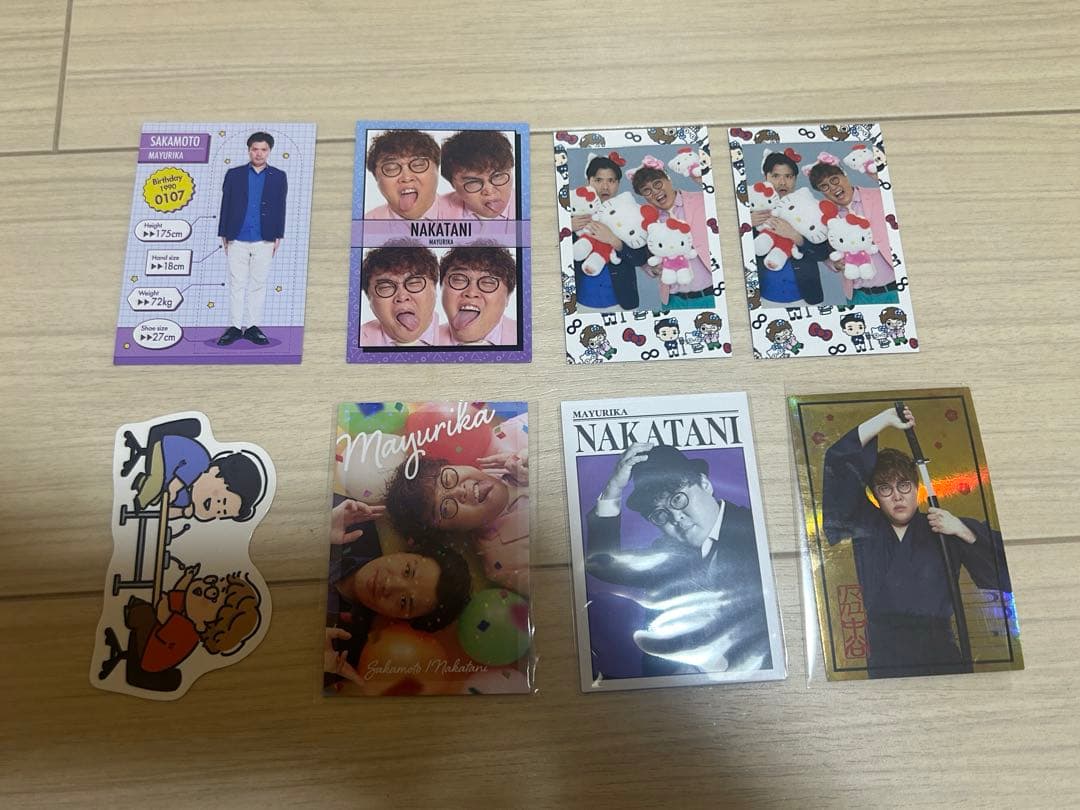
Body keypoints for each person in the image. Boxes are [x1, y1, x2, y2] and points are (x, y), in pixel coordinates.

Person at [822, 406, 1011, 678]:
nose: (897, 496)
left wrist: (964, 531)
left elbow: (1006, 569)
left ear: (917, 488)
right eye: (885, 488)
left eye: (904, 485)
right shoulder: (866, 526)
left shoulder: (943, 526)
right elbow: (838, 464)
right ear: (875, 495)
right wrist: (885, 419)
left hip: (940, 654)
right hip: (886, 656)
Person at [585, 443, 772, 675]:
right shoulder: (666, 552)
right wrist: (613, 489)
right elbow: (603, 565)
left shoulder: (759, 532)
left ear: (705, 484)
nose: (676, 518)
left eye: (678, 499)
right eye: (660, 514)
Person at [324, 497, 472, 689]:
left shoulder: (344, 650)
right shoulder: (354, 520)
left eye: (404, 602)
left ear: (401, 619)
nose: (390, 585)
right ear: (404, 552)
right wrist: (320, 529)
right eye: (408, 571)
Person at [98, 563, 263, 692]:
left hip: (148, 657)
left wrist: (165, 602)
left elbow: (162, 612)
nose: (206, 585)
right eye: (213, 581)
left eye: (213, 594)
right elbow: (178, 593)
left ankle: (128, 623)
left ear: (205, 625)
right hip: (153, 647)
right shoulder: (190, 613)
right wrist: (187, 577)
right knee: (143, 611)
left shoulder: (185, 627)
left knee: (143, 611)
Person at [385, 450, 529, 595]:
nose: (459, 492)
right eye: (446, 508)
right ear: (453, 531)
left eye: (447, 479)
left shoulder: (505, 447)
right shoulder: (504, 565)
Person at [216, 131, 288, 347]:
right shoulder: (234, 174)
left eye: (263, 149)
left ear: (269, 151)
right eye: (255, 149)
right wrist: (224, 233)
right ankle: (235, 326)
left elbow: (281, 206)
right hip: (236, 236)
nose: (259, 153)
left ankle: (253, 326)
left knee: (258, 283)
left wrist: (278, 235)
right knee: (236, 283)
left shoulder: (278, 176)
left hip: (265, 238)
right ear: (249, 150)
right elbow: (226, 204)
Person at [120, 417, 264, 522]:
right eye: (223, 501)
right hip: (165, 448)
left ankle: (140, 481)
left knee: (156, 498)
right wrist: (173, 491)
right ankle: (139, 503)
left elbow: (165, 512)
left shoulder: (186, 500)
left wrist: (183, 512)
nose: (217, 508)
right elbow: (174, 486)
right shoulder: (200, 463)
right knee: (156, 483)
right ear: (215, 471)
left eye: (222, 513)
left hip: (165, 472)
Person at [806, 153, 898, 305]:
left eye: (834, 179)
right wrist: (835, 264)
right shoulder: (826, 217)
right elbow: (826, 252)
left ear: (845, 175)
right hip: (858, 296)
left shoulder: (879, 195)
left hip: (896, 290)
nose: (832, 187)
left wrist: (879, 177)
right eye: (824, 186)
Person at [629, 157, 714, 310]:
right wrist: (652, 269)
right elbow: (644, 255)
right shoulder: (646, 221)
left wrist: (705, 180)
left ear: (668, 179)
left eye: (657, 184)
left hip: (712, 295)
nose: (655, 192)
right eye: (647, 190)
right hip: (674, 301)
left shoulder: (701, 199)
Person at [749, 149, 830, 305]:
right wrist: (746, 226)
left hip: (806, 297)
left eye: (788, 176)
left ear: (795, 179)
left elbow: (822, 254)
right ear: (766, 177)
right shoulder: (749, 210)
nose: (782, 182)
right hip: (763, 298)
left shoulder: (810, 207)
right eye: (775, 176)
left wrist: (795, 236)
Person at [570, 152, 643, 311]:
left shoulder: (630, 212)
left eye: (611, 181)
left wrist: (615, 241)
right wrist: (566, 229)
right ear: (588, 181)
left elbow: (641, 258)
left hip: (622, 301)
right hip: (580, 301)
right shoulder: (571, 212)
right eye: (598, 180)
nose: (605, 187)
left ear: (618, 183)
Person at [359, 243, 440, 346]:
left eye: (414, 283)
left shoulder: (453, 334)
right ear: (369, 298)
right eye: (386, 287)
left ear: (435, 288)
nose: (402, 297)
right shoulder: (356, 340)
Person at [437, 244, 518, 345]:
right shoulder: (424, 342)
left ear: (508, 296)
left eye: (488, 282)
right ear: (441, 287)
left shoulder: (527, 338)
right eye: (459, 279)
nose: (471, 293)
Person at [435, 130, 516, 220]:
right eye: (473, 182)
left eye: (497, 176)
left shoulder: (525, 203)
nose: (489, 191)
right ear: (453, 184)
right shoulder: (437, 211)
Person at [364, 130, 441, 220]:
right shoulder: (365, 225)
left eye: (418, 165)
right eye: (391, 168)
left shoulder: (455, 212)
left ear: (437, 168)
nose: (406, 178)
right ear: (376, 177)